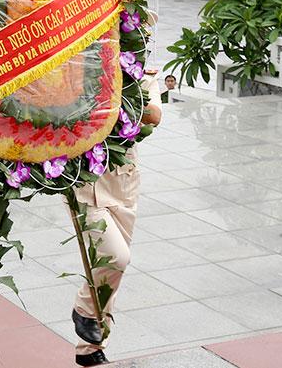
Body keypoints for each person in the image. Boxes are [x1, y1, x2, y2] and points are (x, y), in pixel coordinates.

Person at [69, 74, 162, 367]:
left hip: (124, 187)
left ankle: (90, 348)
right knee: (116, 258)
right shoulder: (83, 66)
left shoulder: (143, 74)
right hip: (86, 185)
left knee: (109, 270)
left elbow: (154, 116)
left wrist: (121, 88)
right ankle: (84, 311)